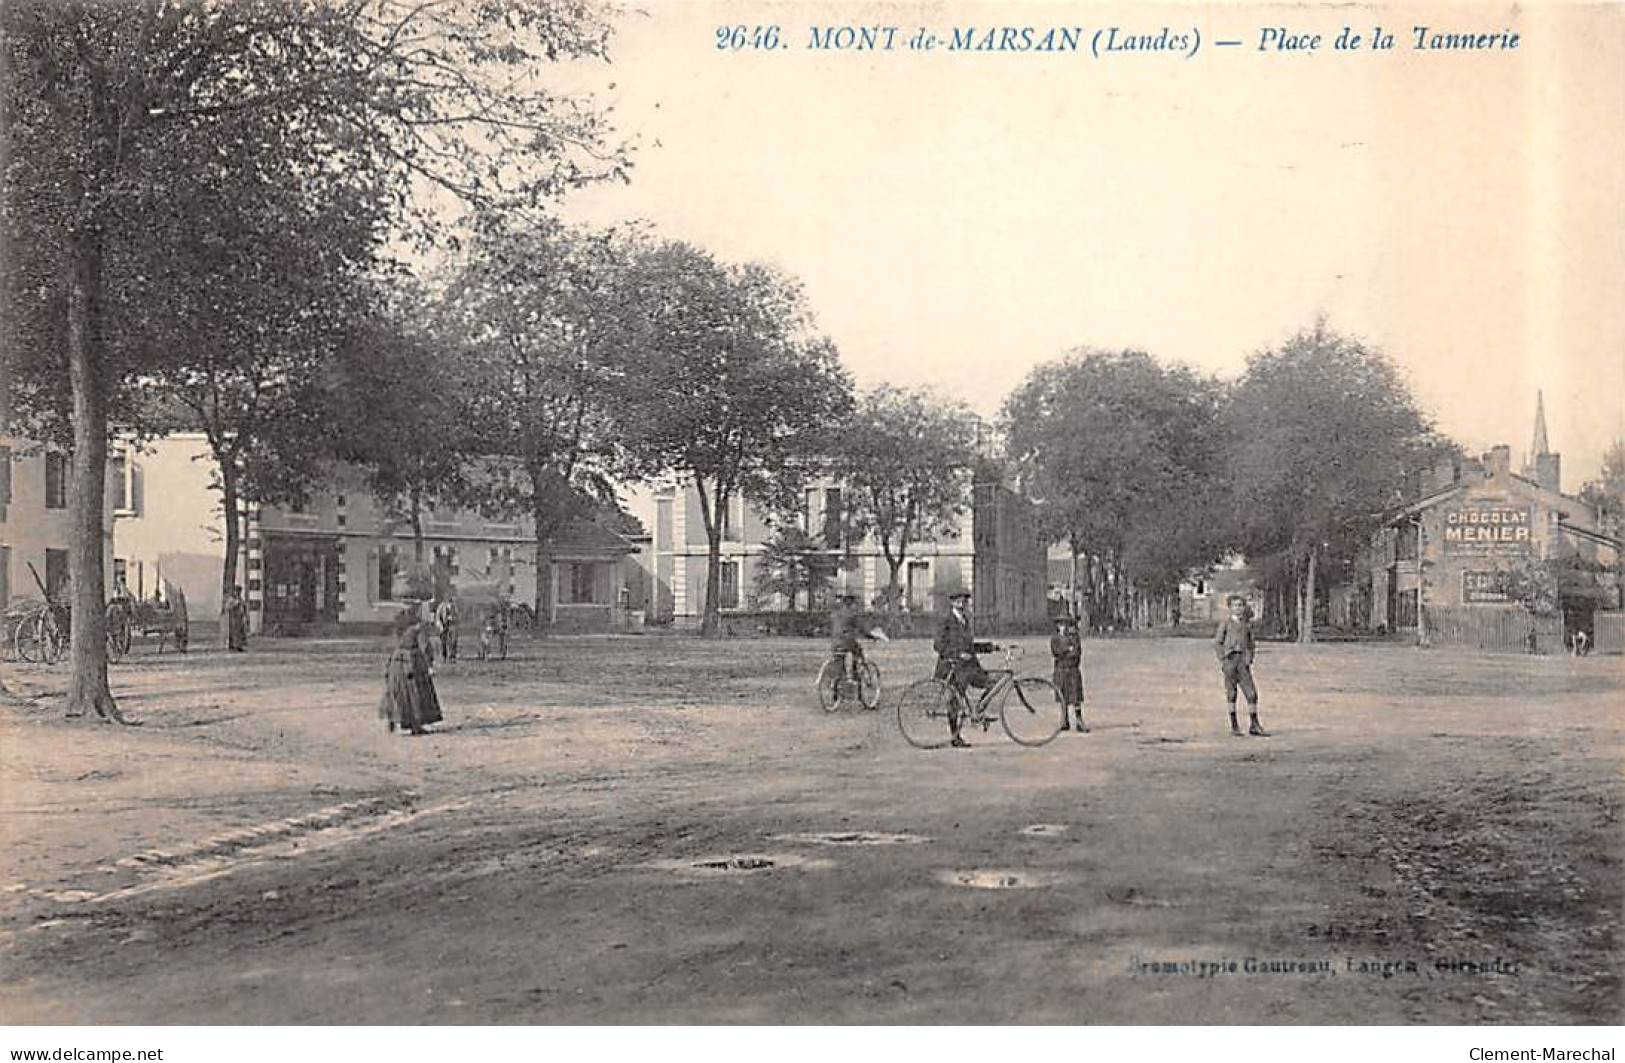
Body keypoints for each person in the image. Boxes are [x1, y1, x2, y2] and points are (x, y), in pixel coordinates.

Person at [933, 590, 995, 748]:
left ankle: (978, 712)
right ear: (952, 603)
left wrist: (989, 647)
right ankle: (955, 737)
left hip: (968, 667)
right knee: (953, 701)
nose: (961, 603)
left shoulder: (966, 620)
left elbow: (970, 647)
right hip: (951, 666)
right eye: (958, 600)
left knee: (991, 684)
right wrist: (958, 654)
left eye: (964, 601)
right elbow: (938, 645)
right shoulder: (946, 620)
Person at [379, 602, 443, 736]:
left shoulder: (398, 627)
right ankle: (416, 725)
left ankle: (393, 718)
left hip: (396, 660)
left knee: (397, 690)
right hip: (412, 661)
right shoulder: (418, 629)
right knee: (415, 692)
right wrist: (429, 665)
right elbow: (425, 647)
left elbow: (389, 646)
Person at [1214, 595, 1268, 737]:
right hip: (1230, 661)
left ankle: (1254, 724)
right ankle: (1234, 725)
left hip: (1242, 662)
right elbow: (1218, 642)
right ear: (1230, 608)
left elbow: (1251, 644)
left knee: (1251, 694)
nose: (1238, 609)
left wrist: (1249, 658)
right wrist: (1223, 659)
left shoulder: (1247, 625)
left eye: (1240, 606)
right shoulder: (1225, 623)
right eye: (1235, 606)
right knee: (1231, 694)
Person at [828, 593, 876, 691]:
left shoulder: (836, 613)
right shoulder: (852, 613)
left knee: (839, 659)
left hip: (834, 642)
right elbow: (861, 628)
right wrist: (870, 636)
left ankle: (838, 682)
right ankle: (854, 675)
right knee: (858, 652)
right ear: (851, 602)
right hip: (846, 641)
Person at [1051, 615, 1085, 732]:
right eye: (1061, 625)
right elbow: (1056, 653)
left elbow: (1077, 652)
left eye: (1066, 624)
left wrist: (1067, 652)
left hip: (1072, 669)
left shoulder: (1074, 638)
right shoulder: (1055, 639)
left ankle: (1079, 721)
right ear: (1057, 626)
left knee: (1076, 697)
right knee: (1063, 696)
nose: (1063, 627)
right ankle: (1064, 721)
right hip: (1060, 670)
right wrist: (1067, 650)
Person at [223, 585, 250, 652]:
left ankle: (239, 645)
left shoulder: (241, 599)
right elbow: (227, 608)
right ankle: (233, 645)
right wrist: (235, 604)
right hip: (233, 618)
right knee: (234, 632)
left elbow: (244, 608)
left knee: (240, 632)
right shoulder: (231, 599)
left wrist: (245, 615)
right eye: (237, 591)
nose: (238, 593)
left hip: (240, 618)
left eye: (239, 591)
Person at [435, 595, 459, 662]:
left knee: (453, 641)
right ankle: (444, 656)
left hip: (452, 625)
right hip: (443, 625)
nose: (451, 603)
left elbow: (457, 616)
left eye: (451, 602)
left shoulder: (454, 607)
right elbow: (437, 618)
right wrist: (440, 626)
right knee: (443, 642)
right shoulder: (441, 607)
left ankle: (452, 656)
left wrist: (453, 618)